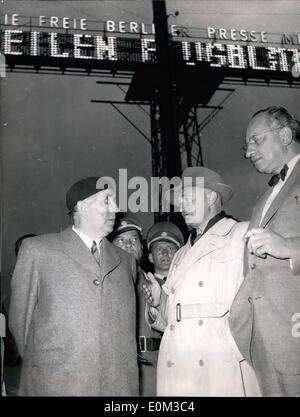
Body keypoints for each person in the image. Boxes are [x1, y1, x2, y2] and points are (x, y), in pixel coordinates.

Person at [9, 177, 139, 396]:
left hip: (118, 389)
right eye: (107, 200)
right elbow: (19, 324)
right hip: (56, 385)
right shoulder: (38, 250)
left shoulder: (126, 261)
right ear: (83, 206)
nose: (116, 208)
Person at [143, 166, 260, 396]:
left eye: (188, 197)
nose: (182, 205)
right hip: (179, 361)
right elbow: (173, 320)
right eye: (181, 199)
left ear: (211, 196)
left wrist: (236, 351)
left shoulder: (240, 235)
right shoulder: (181, 254)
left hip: (218, 363)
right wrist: (158, 303)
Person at [229, 106, 300, 397]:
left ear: (284, 135)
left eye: (256, 141)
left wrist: (289, 247)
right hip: (265, 339)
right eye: (246, 146)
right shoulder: (262, 201)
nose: (248, 153)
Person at [109, 213, 162, 396]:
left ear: (141, 246)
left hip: (154, 365)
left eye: (133, 239)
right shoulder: (104, 284)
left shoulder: (154, 283)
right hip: (119, 367)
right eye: (120, 241)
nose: (129, 245)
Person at [146, 221, 184, 287]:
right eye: (159, 249)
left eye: (170, 248)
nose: (165, 253)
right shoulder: (145, 286)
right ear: (151, 257)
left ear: (179, 254)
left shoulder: (187, 282)